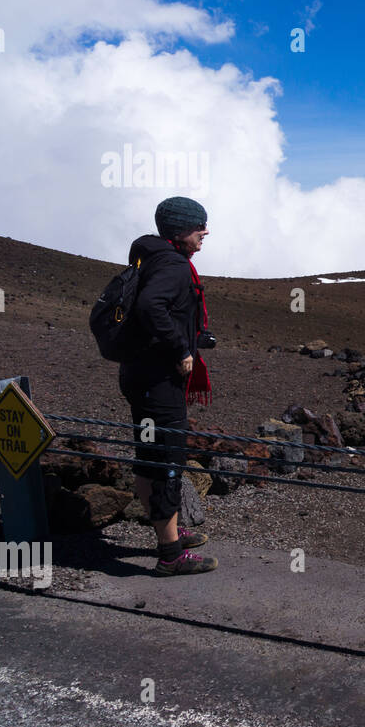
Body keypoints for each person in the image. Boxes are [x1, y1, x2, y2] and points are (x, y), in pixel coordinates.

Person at [119, 197, 218, 575]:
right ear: (180, 231)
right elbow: (150, 307)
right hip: (159, 383)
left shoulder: (151, 256)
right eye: (199, 227)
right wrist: (181, 348)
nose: (205, 232)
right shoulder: (174, 266)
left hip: (138, 376)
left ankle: (170, 533)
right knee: (167, 463)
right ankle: (171, 555)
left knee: (148, 457)